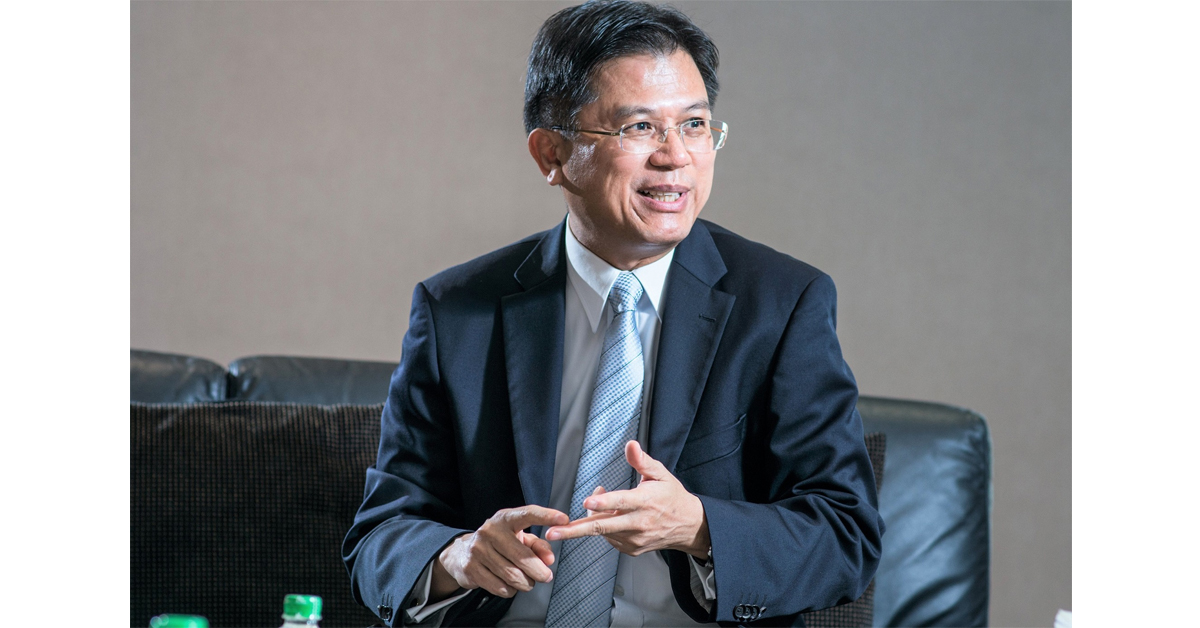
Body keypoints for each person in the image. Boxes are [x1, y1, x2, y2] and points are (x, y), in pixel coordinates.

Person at [342, 1, 883, 626]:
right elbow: (381, 536)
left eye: (695, 124)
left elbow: (845, 536)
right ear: (551, 154)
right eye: (640, 128)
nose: (676, 156)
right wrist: (456, 557)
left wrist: (699, 527)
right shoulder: (457, 312)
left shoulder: (783, 304)